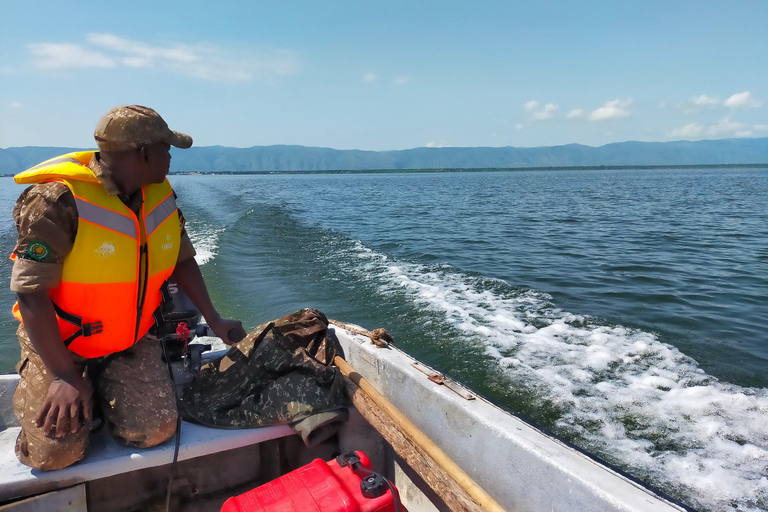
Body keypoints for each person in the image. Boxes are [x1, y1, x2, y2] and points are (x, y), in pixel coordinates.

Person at [9, 105, 246, 470]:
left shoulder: (161, 196)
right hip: (63, 345)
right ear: (144, 153)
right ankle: (67, 389)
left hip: (129, 338)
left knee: (155, 432)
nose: (170, 158)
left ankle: (100, 390)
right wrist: (64, 375)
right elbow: (29, 292)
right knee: (54, 456)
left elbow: (182, 260)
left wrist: (214, 319)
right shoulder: (57, 200)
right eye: (166, 149)